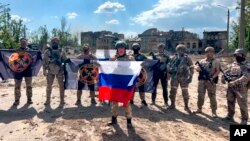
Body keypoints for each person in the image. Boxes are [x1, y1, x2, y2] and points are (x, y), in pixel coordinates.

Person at [109, 40, 134, 127]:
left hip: (126, 83)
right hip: (116, 83)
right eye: (119, 48)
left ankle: (129, 121)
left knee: (126, 102)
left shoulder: (130, 58)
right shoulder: (113, 58)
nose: (121, 50)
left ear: (125, 49)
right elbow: (109, 68)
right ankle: (114, 119)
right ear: (117, 49)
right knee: (114, 102)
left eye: (122, 48)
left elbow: (135, 68)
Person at [221, 48, 250, 124]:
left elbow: (246, 77)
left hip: (241, 88)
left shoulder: (247, 65)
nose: (236, 56)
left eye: (238, 54)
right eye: (235, 55)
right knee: (230, 101)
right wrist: (223, 77)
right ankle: (230, 116)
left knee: (242, 103)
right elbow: (227, 71)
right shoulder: (234, 64)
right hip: (231, 87)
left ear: (243, 55)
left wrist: (235, 82)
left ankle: (244, 119)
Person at [194, 47, 220, 117]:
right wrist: (196, 68)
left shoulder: (216, 61)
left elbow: (217, 71)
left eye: (211, 52)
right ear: (205, 53)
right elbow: (196, 66)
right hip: (202, 80)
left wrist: (212, 77)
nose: (209, 53)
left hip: (210, 81)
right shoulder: (202, 61)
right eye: (207, 52)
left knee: (212, 96)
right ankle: (199, 108)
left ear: (213, 53)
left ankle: (214, 111)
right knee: (200, 95)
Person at [168, 44, 194, 113]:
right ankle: (172, 104)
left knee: (185, 92)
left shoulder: (187, 58)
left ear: (184, 50)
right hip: (174, 77)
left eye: (182, 50)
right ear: (177, 50)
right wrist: (169, 74)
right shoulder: (173, 57)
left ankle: (186, 106)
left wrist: (190, 77)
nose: (181, 51)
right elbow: (169, 66)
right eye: (179, 49)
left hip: (184, 78)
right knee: (172, 91)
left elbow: (191, 68)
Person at [43, 37, 68, 106]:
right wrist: (44, 70)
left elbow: (65, 60)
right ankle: (48, 100)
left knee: (61, 86)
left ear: (58, 42)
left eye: (56, 41)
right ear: (51, 42)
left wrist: (65, 69)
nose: (55, 42)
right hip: (50, 70)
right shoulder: (47, 51)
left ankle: (62, 100)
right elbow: (44, 61)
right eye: (53, 41)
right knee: (49, 86)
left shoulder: (62, 51)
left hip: (59, 70)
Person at [13, 37, 33, 106]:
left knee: (29, 85)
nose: (23, 43)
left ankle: (29, 99)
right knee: (17, 86)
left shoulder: (30, 51)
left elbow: (33, 60)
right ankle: (17, 100)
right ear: (20, 43)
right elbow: (12, 60)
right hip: (18, 70)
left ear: (27, 43)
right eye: (22, 42)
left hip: (28, 70)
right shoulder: (16, 51)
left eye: (25, 42)